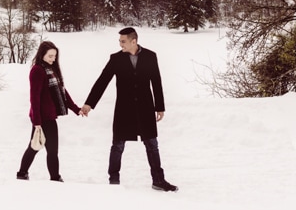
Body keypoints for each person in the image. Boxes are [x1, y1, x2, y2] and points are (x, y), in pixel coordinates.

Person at [81, 27, 177, 191]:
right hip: (124, 109)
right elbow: (102, 81)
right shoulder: (116, 59)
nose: (120, 44)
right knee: (117, 146)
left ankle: (158, 180)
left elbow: (156, 82)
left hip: (145, 108)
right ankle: (114, 180)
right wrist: (89, 103)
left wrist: (159, 107)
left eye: (123, 41)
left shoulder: (150, 56)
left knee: (152, 145)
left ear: (134, 41)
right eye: (119, 41)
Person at [17, 40, 80, 182]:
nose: (53, 59)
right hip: (42, 117)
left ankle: (23, 174)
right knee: (44, 149)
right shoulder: (38, 70)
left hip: (48, 116)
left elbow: (62, 91)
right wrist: (37, 122)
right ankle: (54, 178)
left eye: (55, 56)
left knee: (38, 148)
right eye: (50, 56)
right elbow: (34, 97)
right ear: (42, 54)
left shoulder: (51, 69)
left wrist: (76, 109)